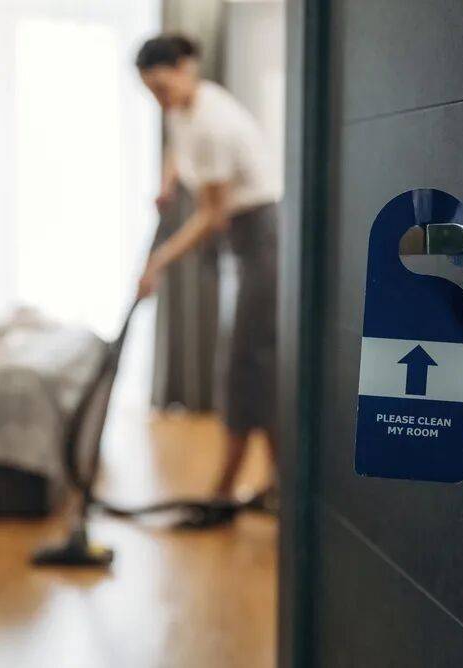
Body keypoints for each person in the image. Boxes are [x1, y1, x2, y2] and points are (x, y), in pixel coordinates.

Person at [135, 33, 280, 528]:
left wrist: (157, 262)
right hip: (240, 238)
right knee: (260, 364)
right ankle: (281, 487)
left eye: (161, 87)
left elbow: (210, 215)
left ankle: (221, 497)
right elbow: (177, 145)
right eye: (150, 92)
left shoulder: (214, 121)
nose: (159, 100)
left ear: (185, 68)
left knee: (243, 365)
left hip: (262, 235)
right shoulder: (184, 107)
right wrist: (167, 182)